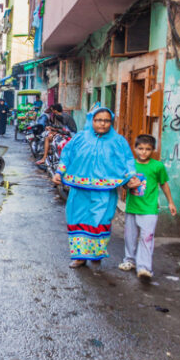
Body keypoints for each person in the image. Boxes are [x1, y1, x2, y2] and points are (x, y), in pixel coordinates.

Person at [52, 107, 140, 268]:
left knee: (100, 221)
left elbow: (127, 161)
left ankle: (95, 254)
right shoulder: (80, 138)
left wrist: (131, 177)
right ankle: (80, 256)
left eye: (107, 120)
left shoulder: (118, 141)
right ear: (92, 120)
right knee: (77, 219)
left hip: (105, 191)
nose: (103, 124)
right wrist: (59, 172)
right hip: (80, 189)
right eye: (99, 120)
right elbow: (67, 155)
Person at [119, 134, 177, 279]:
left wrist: (170, 202)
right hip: (132, 206)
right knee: (130, 237)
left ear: (152, 150)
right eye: (141, 148)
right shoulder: (130, 165)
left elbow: (164, 184)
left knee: (147, 238)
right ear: (135, 148)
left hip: (150, 208)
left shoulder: (157, 166)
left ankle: (144, 267)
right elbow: (122, 183)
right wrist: (127, 185)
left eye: (147, 149)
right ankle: (130, 260)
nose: (143, 152)